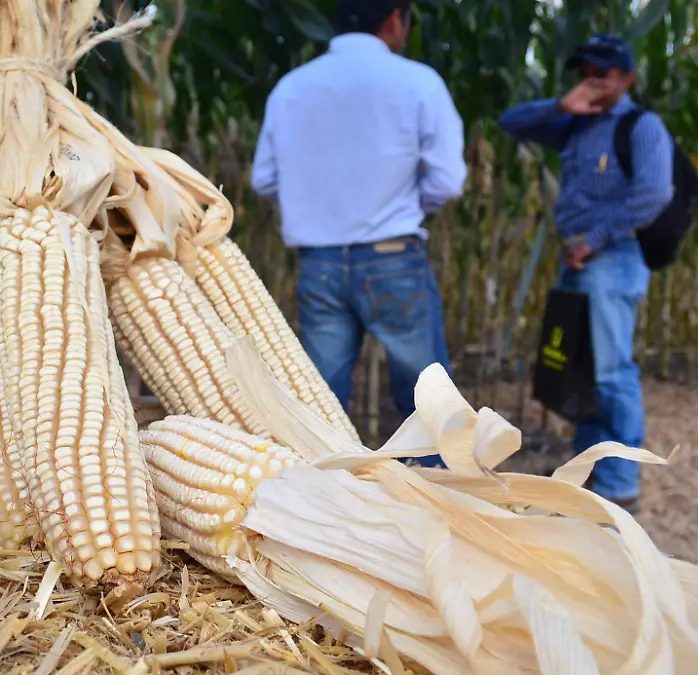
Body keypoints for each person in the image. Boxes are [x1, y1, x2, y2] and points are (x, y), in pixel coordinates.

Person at [249, 0, 467, 465]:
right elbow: (447, 181)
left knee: (320, 399)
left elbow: (264, 179)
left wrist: (317, 206)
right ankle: (438, 494)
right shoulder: (418, 81)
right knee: (426, 399)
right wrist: (402, 205)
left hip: (320, 264)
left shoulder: (292, 87)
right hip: (392, 258)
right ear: (394, 19)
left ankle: (322, 493)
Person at [498, 34, 674, 511]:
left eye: (602, 73)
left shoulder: (642, 126)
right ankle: (588, 469)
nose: (591, 80)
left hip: (612, 259)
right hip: (576, 261)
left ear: (627, 78)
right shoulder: (574, 124)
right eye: (584, 72)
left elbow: (654, 193)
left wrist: (593, 240)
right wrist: (562, 104)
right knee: (580, 370)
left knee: (612, 372)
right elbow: (510, 122)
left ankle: (619, 483)